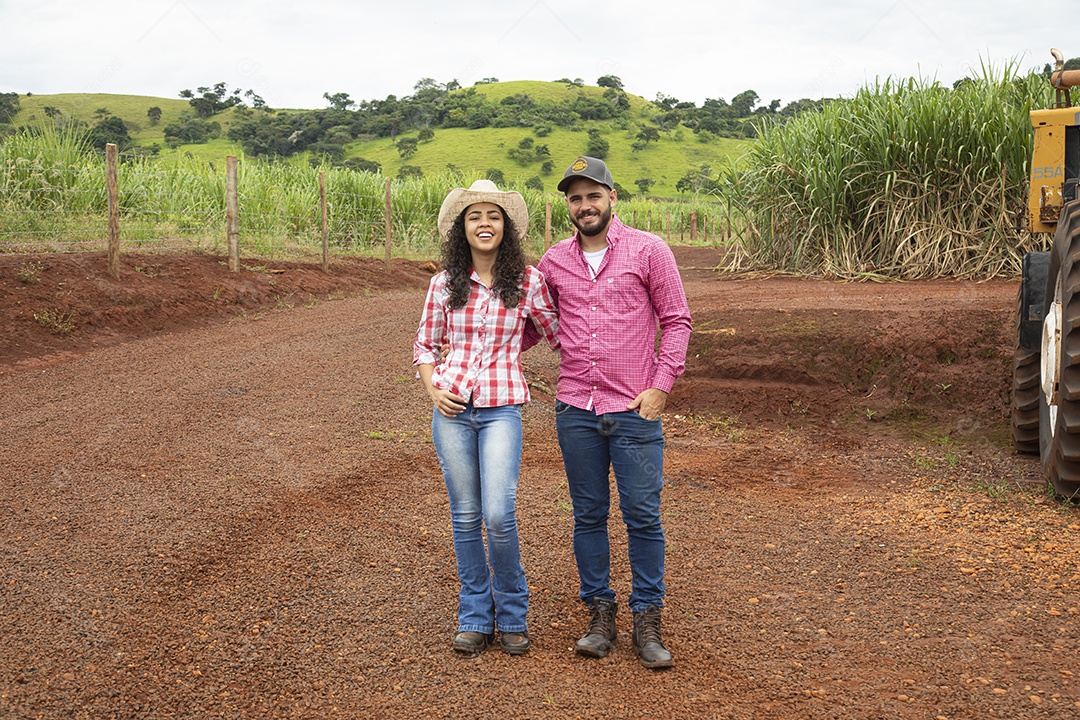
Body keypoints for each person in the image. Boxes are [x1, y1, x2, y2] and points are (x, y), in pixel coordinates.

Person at [525, 156, 692, 669]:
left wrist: (661, 386)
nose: (584, 206)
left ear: (611, 197)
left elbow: (678, 321)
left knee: (642, 516)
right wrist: (485, 346)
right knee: (588, 514)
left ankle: (647, 618)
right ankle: (600, 613)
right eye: (574, 198)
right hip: (576, 407)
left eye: (592, 195)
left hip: (634, 410)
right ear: (568, 206)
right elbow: (534, 324)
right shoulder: (554, 261)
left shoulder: (648, 250)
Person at [413, 179, 559, 657]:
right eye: (474, 216)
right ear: (462, 227)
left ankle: (513, 614)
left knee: (498, 514)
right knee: (464, 516)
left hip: (500, 411)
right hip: (452, 411)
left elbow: (558, 334)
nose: (484, 224)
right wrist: (434, 389)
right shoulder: (443, 283)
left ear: (506, 227)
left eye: (493, 216)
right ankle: (475, 615)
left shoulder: (529, 282)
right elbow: (425, 344)